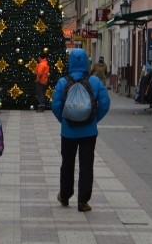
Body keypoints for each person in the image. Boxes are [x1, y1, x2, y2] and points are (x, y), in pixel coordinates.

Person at [51, 48, 111, 212]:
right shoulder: (95, 82)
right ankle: (83, 201)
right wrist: (94, 119)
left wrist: (63, 121)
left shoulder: (63, 82)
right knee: (86, 166)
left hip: (68, 132)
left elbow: (55, 104)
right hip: (88, 133)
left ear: (70, 62)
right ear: (86, 62)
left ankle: (65, 195)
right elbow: (105, 103)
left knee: (67, 164)